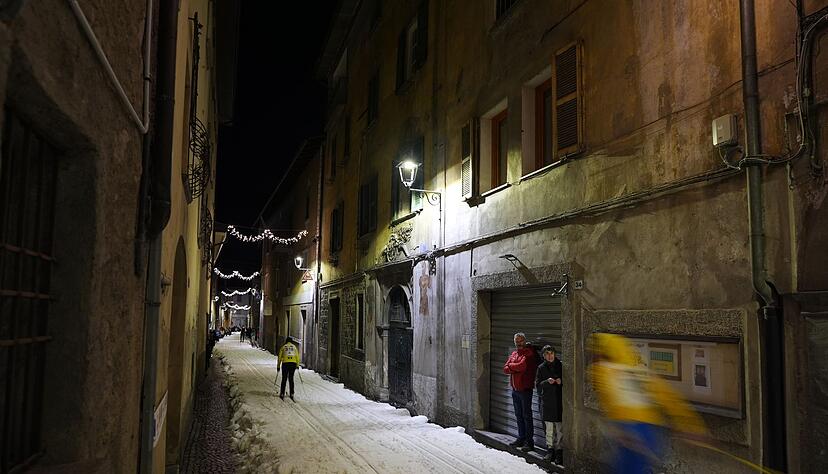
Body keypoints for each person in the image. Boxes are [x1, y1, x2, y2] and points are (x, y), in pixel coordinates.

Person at [589, 333, 705, 473]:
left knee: (628, 469)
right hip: (650, 429)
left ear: (604, 351)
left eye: (596, 351)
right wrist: (692, 426)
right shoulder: (640, 370)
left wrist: (621, 430)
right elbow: (668, 397)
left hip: (630, 430)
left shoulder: (603, 370)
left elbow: (610, 398)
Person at [503, 332, 541, 452]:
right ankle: (521, 437)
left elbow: (522, 366)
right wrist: (514, 367)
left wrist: (511, 367)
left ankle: (529, 442)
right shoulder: (514, 353)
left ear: (525, 341)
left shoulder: (529, 353)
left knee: (527, 416)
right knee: (519, 416)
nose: (519, 343)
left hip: (525, 390)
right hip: (515, 390)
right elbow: (505, 368)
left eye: (521, 341)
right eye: (517, 341)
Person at [536, 345, 563, 465]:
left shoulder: (560, 366)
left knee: (560, 429)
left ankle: (559, 452)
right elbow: (537, 385)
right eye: (547, 354)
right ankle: (550, 450)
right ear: (543, 356)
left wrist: (561, 381)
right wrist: (547, 382)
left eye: (551, 353)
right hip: (547, 402)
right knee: (549, 429)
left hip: (559, 401)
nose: (550, 356)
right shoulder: (541, 368)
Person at [277, 336, 301, 400]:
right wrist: (297, 365)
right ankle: (292, 393)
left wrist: (278, 366)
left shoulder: (283, 347)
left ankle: (282, 393)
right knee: (291, 378)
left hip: (285, 363)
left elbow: (279, 357)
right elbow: (297, 356)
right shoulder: (294, 347)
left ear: (286, 341)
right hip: (293, 363)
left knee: (284, 378)